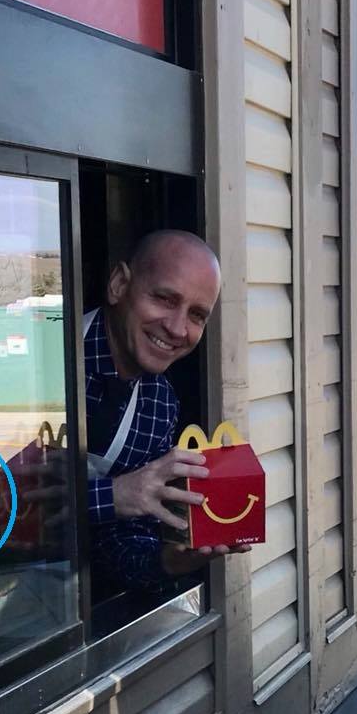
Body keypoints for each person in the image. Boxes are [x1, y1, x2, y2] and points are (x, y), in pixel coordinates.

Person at [85, 229, 250, 595]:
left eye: (196, 315)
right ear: (118, 285)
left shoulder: (160, 405)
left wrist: (172, 560)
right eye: (164, 298)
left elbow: (113, 542)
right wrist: (111, 496)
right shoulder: (45, 363)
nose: (177, 329)